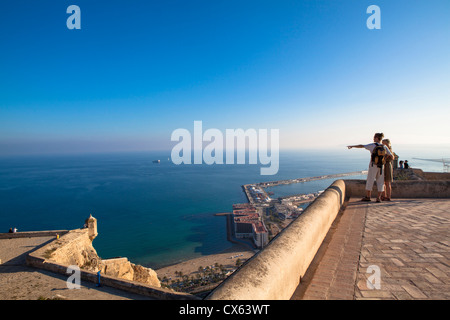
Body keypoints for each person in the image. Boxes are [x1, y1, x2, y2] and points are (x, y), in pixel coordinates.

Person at [347, 132, 393, 202]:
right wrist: (384, 159)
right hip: (381, 166)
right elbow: (391, 156)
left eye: (374, 137)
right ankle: (378, 198)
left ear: (377, 138)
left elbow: (362, 146)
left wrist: (352, 146)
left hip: (373, 165)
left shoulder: (372, 145)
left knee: (370, 181)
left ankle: (368, 197)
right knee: (380, 182)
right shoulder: (384, 146)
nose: (373, 138)